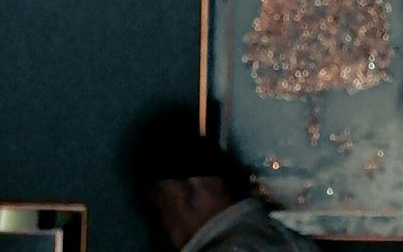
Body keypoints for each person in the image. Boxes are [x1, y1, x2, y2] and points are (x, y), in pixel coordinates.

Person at [125, 104, 300, 250]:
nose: (161, 220)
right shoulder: (281, 237)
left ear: (189, 190)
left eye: (161, 200)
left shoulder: (233, 247)